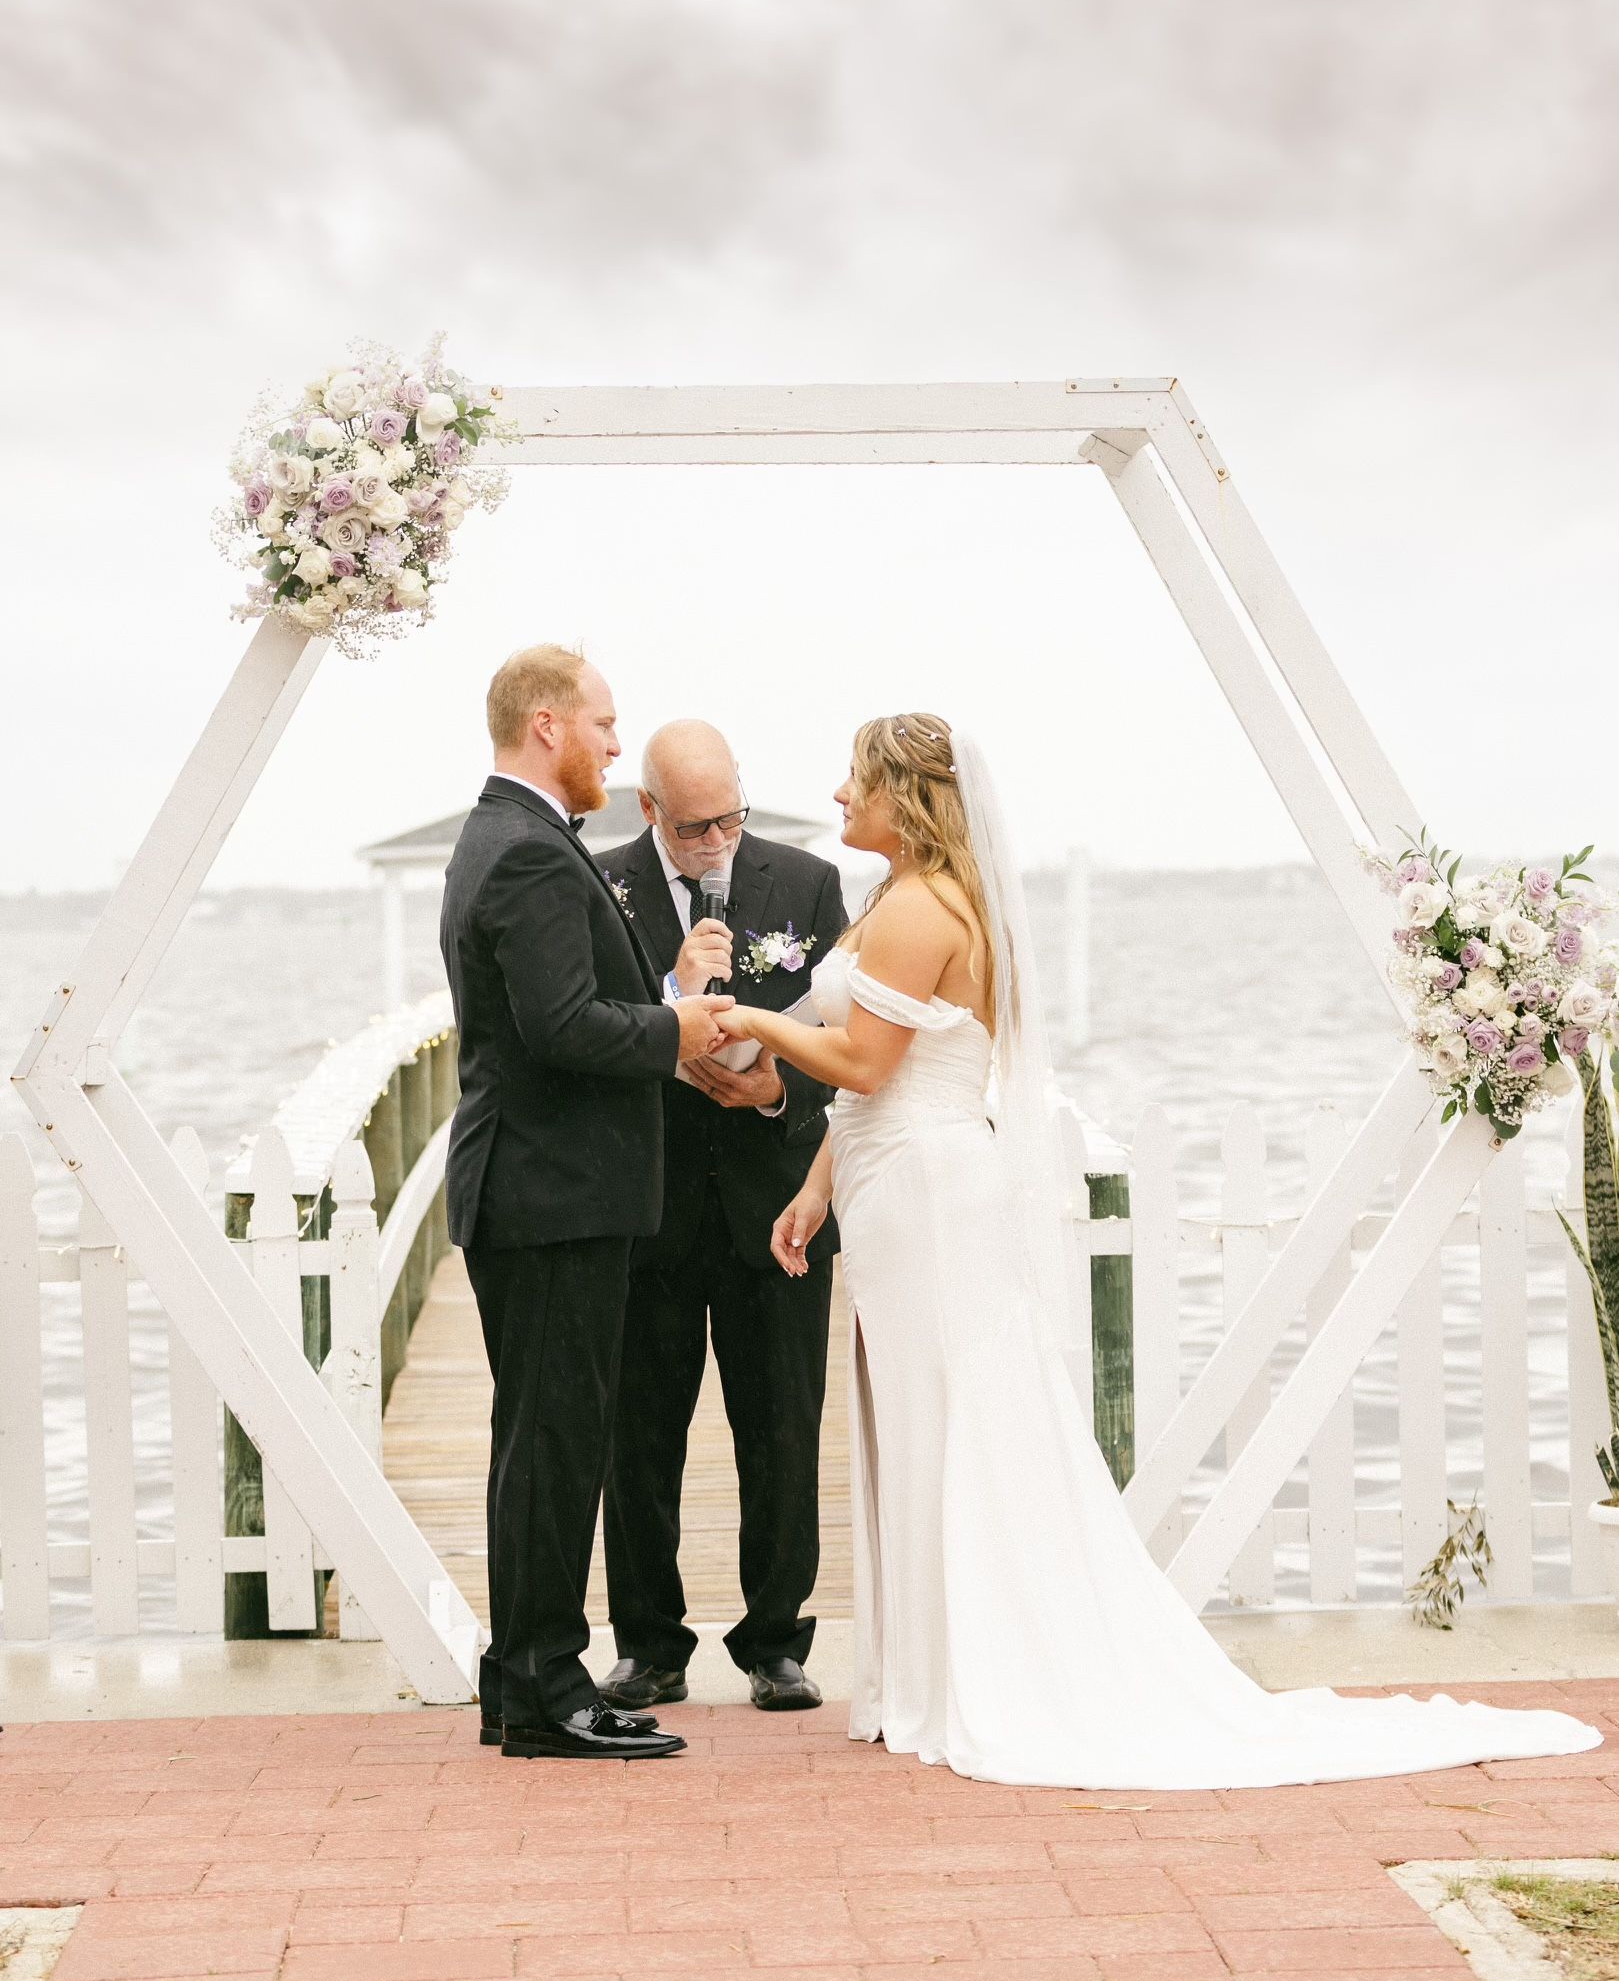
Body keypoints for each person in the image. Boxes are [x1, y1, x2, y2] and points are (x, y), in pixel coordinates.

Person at [712, 714, 1604, 1787]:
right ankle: (926, 1672)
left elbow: (860, 1062)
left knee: (957, 1422)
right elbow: (885, 1088)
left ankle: (967, 1671)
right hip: (891, 1181)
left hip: (930, 1193)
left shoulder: (917, 908)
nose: (838, 793)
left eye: (854, 778)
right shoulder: (895, 903)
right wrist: (814, 1188)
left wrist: (748, 1021)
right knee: (919, 1420)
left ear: (904, 795)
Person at [439, 645, 733, 1761]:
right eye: (606, 724)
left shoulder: (511, 836)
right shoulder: (526, 853)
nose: (618, 741)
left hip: (541, 1187)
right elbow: (561, 1029)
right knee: (553, 1445)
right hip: (550, 1194)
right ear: (549, 724)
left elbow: (547, 1013)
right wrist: (679, 1031)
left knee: (544, 1443)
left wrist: (663, 1000)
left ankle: (525, 1678)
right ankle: (546, 1693)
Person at [596, 722, 847, 1714]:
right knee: (639, 1434)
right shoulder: (595, 886)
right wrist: (670, 1012)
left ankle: (775, 1638)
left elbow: (840, 1041)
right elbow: (584, 1027)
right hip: (647, 1200)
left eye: (730, 819)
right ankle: (648, 1644)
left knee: (782, 1423)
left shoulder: (807, 883)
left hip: (772, 1194)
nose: (716, 843)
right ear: (649, 808)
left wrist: (776, 1095)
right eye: (695, 825)